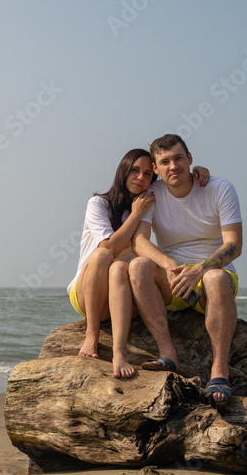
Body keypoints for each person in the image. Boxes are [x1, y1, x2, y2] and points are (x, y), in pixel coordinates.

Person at [68, 148, 209, 378]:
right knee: (104, 256)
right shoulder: (99, 203)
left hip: (123, 296)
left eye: (146, 174)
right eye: (134, 171)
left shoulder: (148, 203)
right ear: (123, 170)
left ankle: (119, 353)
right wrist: (134, 215)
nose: (140, 178)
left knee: (120, 267)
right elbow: (109, 248)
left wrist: (198, 173)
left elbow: (174, 183)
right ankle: (91, 336)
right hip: (88, 294)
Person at [129, 134, 242, 405]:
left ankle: (219, 372)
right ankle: (168, 354)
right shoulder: (152, 194)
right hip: (175, 278)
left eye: (178, 158)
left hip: (213, 275)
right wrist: (169, 264)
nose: (173, 166)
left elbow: (234, 246)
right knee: (138, 266)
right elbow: (139, 241)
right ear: (155, 169)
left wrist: (199, 270)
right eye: (165, 161)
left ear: (190, 159)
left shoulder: (219, 188)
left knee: (214, 278)